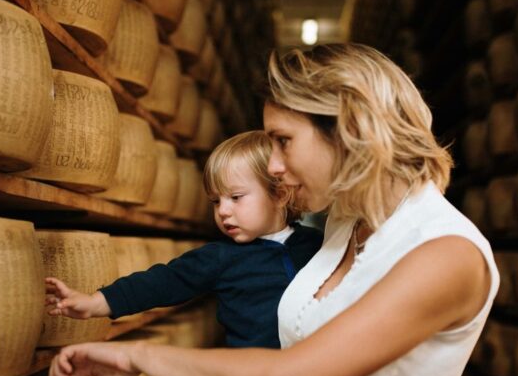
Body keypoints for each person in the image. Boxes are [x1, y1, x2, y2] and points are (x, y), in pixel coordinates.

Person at [40, 43, 499, 376]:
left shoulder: (446, 254)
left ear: (349, 126)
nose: (274, 166)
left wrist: (137, 354)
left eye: (283, 141)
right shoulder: (343, 221)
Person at [44, 130, 324, 349]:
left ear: (279, 194)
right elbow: (160, 283)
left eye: (236, 197)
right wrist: (96, 303)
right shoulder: (219, 258)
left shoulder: (318, 245)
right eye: (216, 201)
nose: (223, 210)